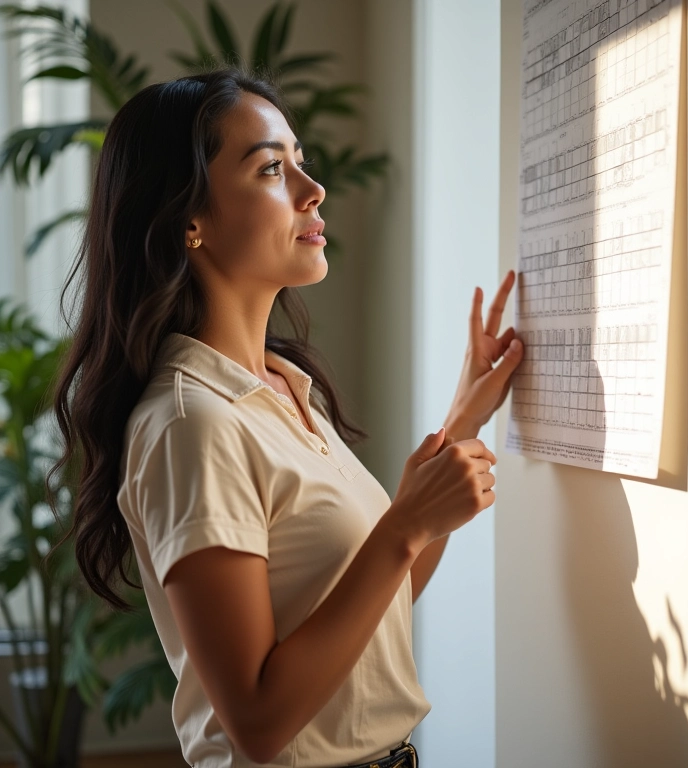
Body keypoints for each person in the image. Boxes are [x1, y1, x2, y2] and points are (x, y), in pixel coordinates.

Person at [49, 65, 524, 767]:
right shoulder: (192, 425)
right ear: (189, 220)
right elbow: (259, 721)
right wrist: (405, 524)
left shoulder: (279, 389)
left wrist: (460, 425)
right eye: (273, 169)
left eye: (300, 162)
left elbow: (372, 601)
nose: (313, 188)